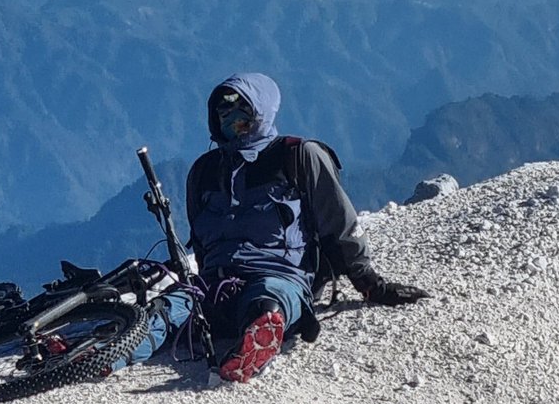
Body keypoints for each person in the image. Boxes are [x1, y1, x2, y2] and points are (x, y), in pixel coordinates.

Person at [170, 72, 428, 383]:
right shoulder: (204, 171)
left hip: (279, 276)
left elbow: (339, 223)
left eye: (241, 111)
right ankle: (105, 352)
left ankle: (260, 335)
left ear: (261, 112)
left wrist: (369, 282)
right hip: (214, 285)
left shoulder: (298, 156)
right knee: (164, 310)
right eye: (223, 112)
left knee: (268, 299)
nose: (231, 119)